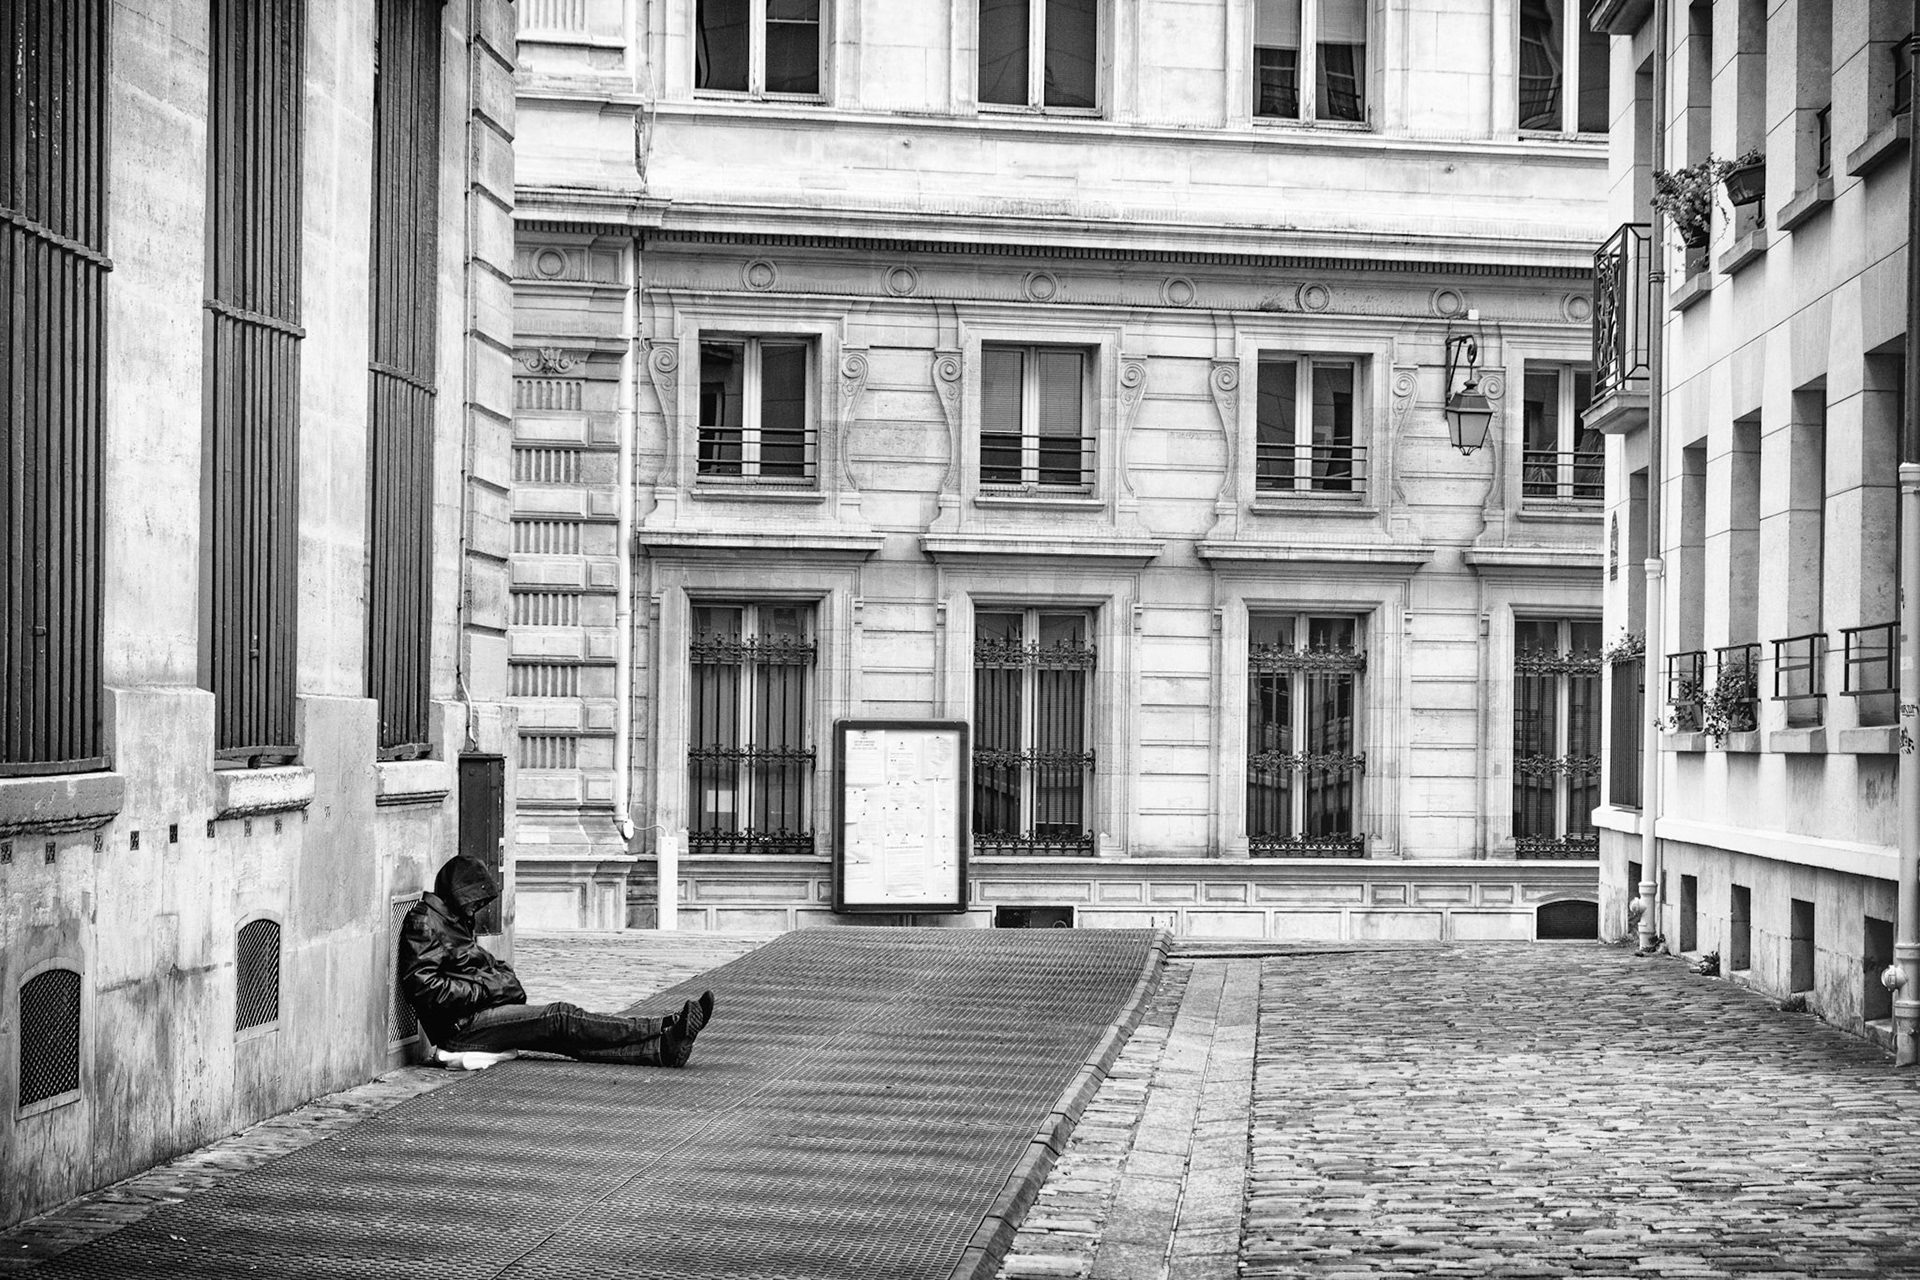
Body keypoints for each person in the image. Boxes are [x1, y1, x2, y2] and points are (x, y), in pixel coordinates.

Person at [399, 855, 713, 1069]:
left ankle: (660, 1049)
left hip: (477, 1014)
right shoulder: (425, 923)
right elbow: (427, 990)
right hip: (461, 1028)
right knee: (560, 1017)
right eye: (474, 902)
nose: (476, 910)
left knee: (563, 1035)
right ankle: (662, 1025)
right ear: (457, 894)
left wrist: (497, 980)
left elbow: (489, 969)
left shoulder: (452, 920)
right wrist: (487, 987)